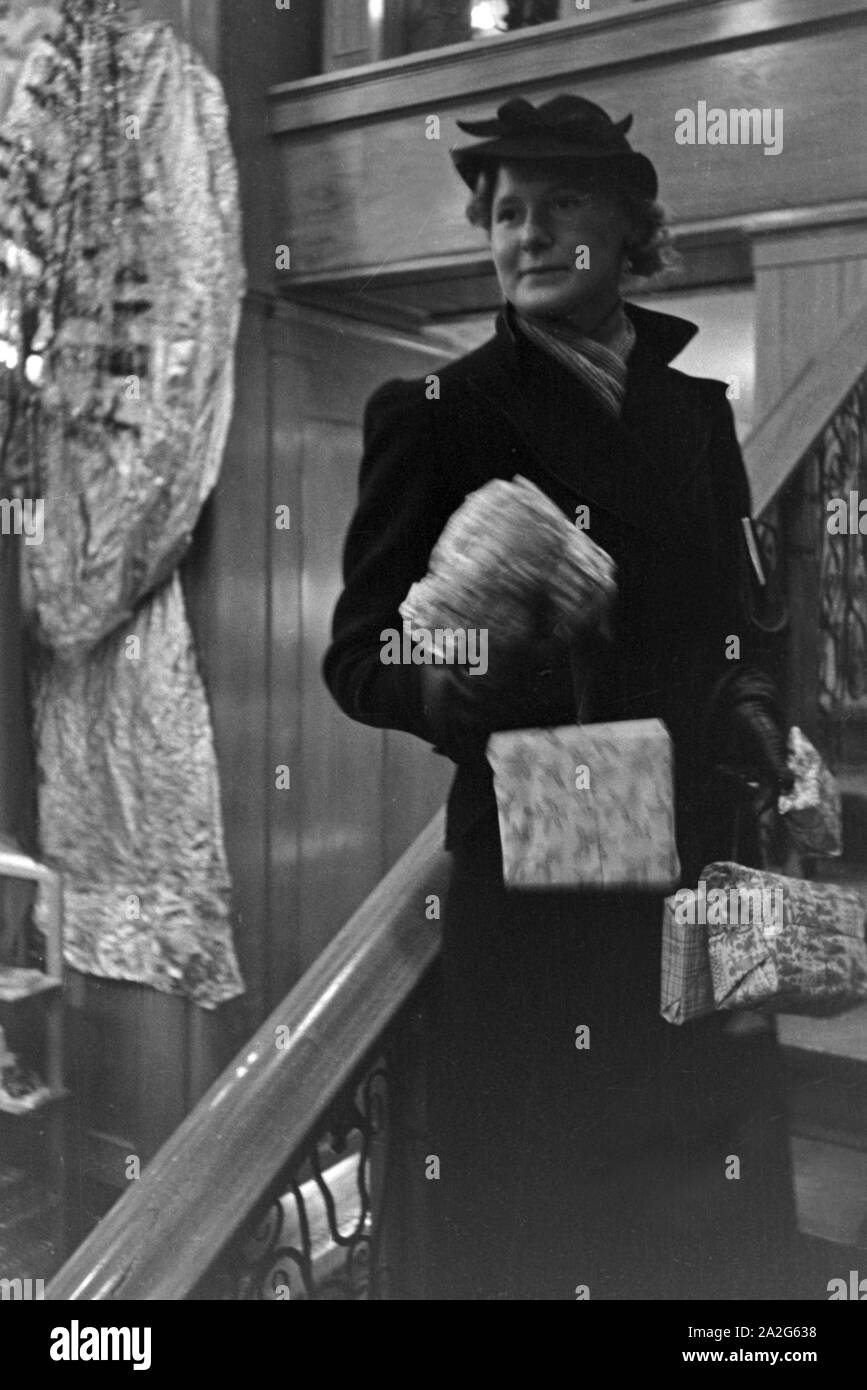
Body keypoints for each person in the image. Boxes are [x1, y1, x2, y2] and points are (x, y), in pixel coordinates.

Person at [324, 94, 799, 1301]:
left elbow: (739, 612)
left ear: (629, 227)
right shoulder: (434, 417)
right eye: (506, 211)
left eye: (562, 205)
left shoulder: (696, 412)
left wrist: (751, 701)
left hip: (701, 871)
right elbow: (360, 659)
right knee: (553, 1229)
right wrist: (485, 672)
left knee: (711, 1241)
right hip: (542, 899)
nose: (526, 234)